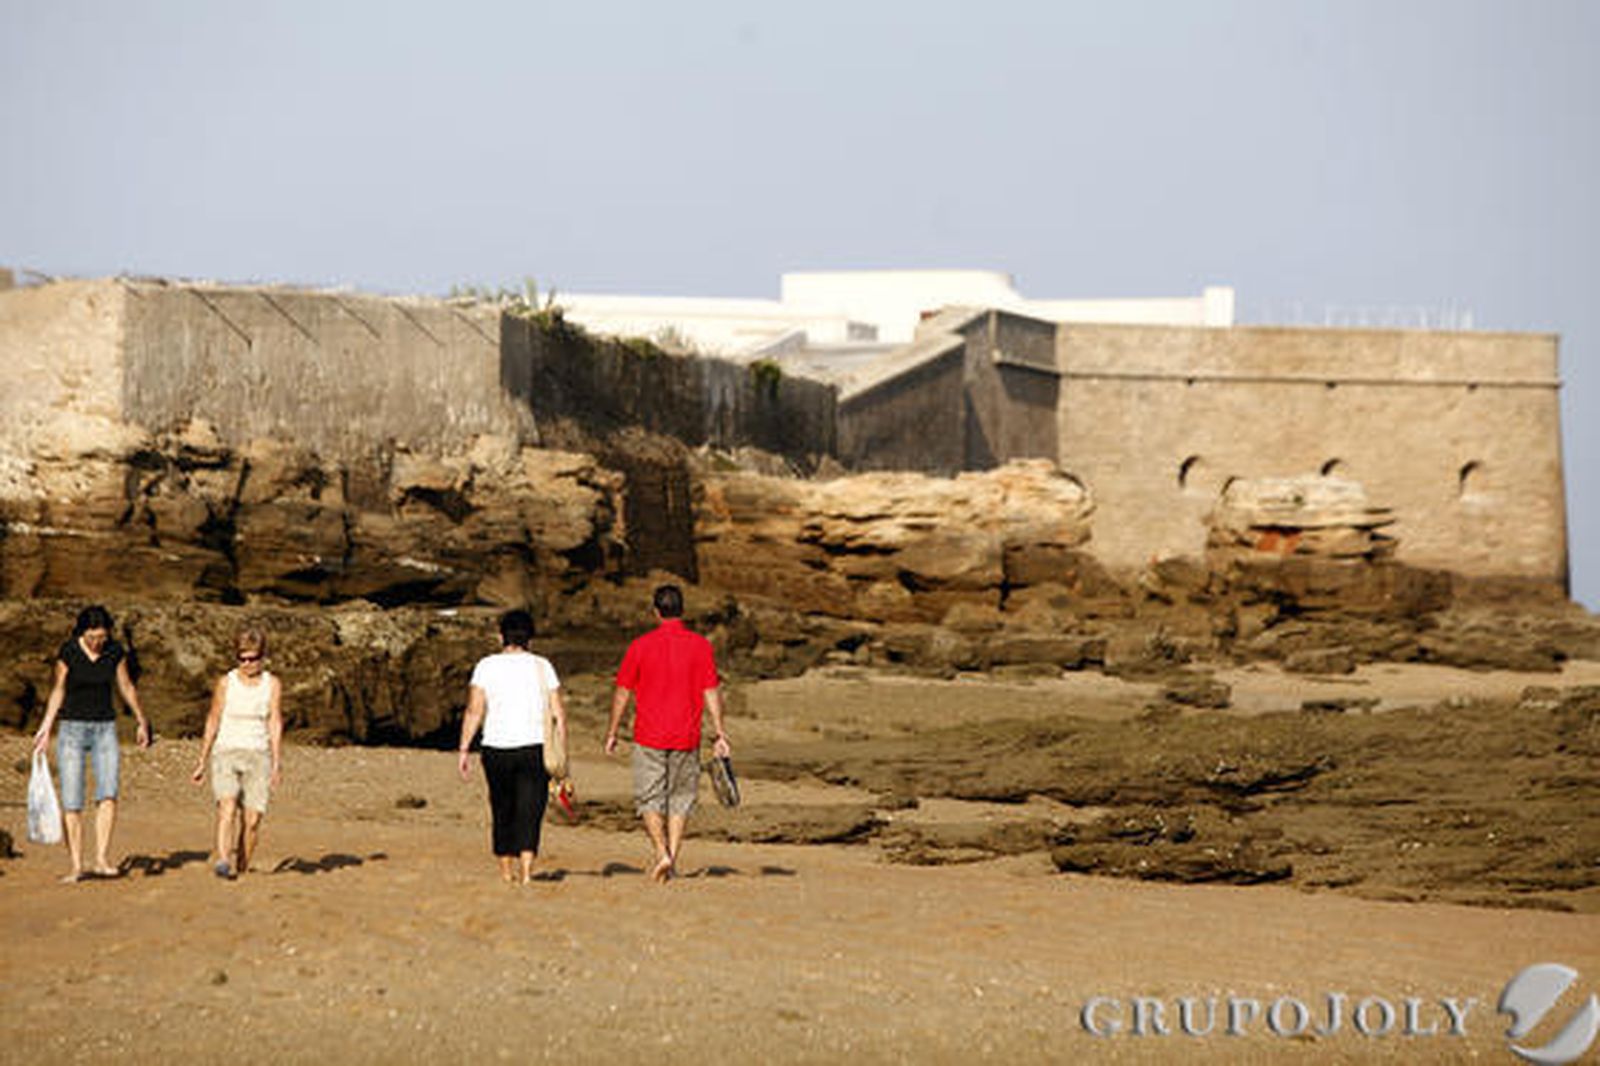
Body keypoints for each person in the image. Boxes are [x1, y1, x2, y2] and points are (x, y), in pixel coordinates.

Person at [605, 584, 730, 883]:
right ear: (682, 611)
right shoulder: (700, 646)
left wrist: (612, 730)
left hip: (649, 735)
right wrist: (720, 731)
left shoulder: (640, 645)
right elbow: (711, 691)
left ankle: (661, 852)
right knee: (680, 799)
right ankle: (671, 860)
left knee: (649, 798)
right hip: (686, 735)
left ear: (656, 611)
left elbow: (622, 692)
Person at [31, 605, 152, 882]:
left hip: (105, 729)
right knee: (72, 800)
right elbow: (58, 689)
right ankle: (76, 866)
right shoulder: (69, 652)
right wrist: (46, 726)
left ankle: (101, 859)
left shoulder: (114, 652)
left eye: (102, 637)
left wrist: (141, 721)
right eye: (92, 637)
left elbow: (126, 686)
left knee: (108, 793)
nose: (98, 642)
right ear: (81, 633)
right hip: (71, 729)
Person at [457, 609, 568, 885]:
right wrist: (563, 751)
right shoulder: (543, 666)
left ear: (501, 636)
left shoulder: (486, 665)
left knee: (502, 807)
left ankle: (506, 871)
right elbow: (558, 714)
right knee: (531, 809)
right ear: (530, 636)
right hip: (534, 746)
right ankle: (527, 871)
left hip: (496, 747)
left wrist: (463, 748)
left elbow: (474, 710)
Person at [191, 626, 284, 880]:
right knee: (227, 807)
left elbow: (274, 722)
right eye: (241, 658)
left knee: (252, 820)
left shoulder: (272, 684)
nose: (247, 663)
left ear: (262, 658)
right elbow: (213, 719)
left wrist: (277, 763)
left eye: (252, 658)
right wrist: (202, 760)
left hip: (258, 753)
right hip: (226, 751)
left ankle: (242, 866)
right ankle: (223, 860)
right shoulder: (226, 682)